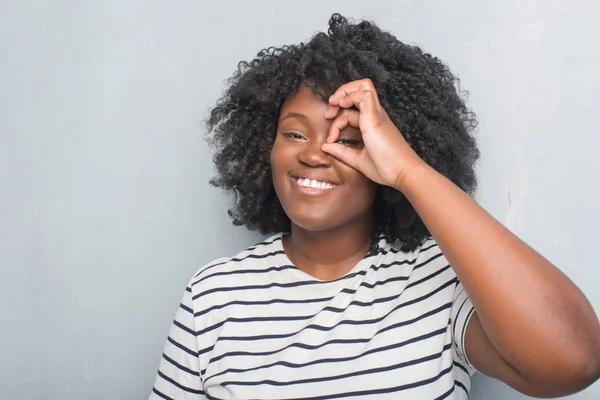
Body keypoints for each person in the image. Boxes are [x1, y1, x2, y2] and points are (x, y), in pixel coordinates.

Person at [150, 14, 600, 399]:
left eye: (346, 140)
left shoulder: (436, 279)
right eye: (293, 134)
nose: (313, 154)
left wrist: (409, 170)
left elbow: (575, 359)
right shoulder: (213, 294)